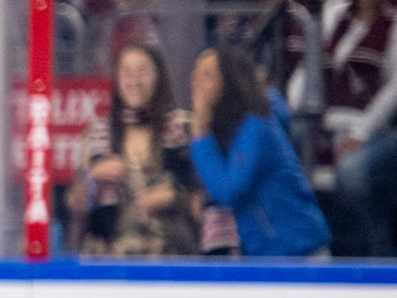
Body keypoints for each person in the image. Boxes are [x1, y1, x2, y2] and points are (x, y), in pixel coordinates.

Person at [190, 43, 331, 256]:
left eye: (207, 75)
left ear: (230, 81)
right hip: (267, 257)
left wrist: (201, 136)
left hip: (299, 255)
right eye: (195, 74)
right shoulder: (228, 128)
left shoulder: (256, 126)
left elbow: (229, 190)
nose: (196, 83)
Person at [289, 0, 397, 254]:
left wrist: (362, 131)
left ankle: (378, 254)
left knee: (352, 171)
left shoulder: (393, 23)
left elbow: (393, 91)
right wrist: (297, 109)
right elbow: (308, 69)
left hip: (378, 129)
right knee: (290, 139)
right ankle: (311, 249)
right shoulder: (334, 15)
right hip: (328, 122)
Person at [71, 43, 198, 256]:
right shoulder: (97, 133)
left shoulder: (184, 127)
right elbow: (75, 205)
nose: (134, 80)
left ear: (159, 76)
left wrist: (175, 197)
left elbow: (208, 199)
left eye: (142, 71)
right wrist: (93, 175)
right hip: (111, 263)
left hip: (172, 260)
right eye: (126, 72)